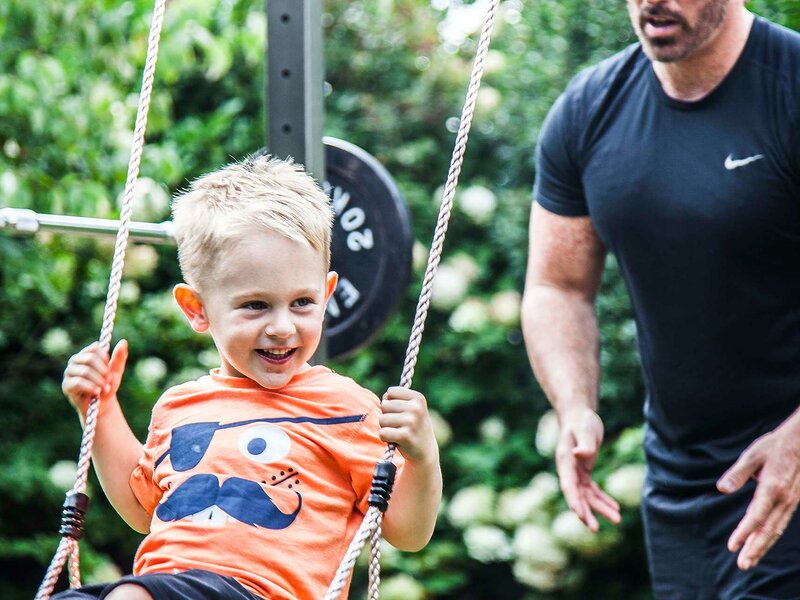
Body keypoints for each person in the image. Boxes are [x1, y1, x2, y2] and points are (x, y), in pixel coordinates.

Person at [56, 154, 442, 600]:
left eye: (302, 303)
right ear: (196, 309)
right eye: (256, 305)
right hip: (172, 583)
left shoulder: (345, 409)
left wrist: (421, 457)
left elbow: (408, 532)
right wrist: (98, 411)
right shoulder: (180, 407)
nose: (282, 326)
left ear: (327, 294)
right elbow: (144, 506)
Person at [521, 0, 800, 597]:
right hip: (680, 487)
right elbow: (557, 287)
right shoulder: (588, 110)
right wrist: (574, 406)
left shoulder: (791, 86)